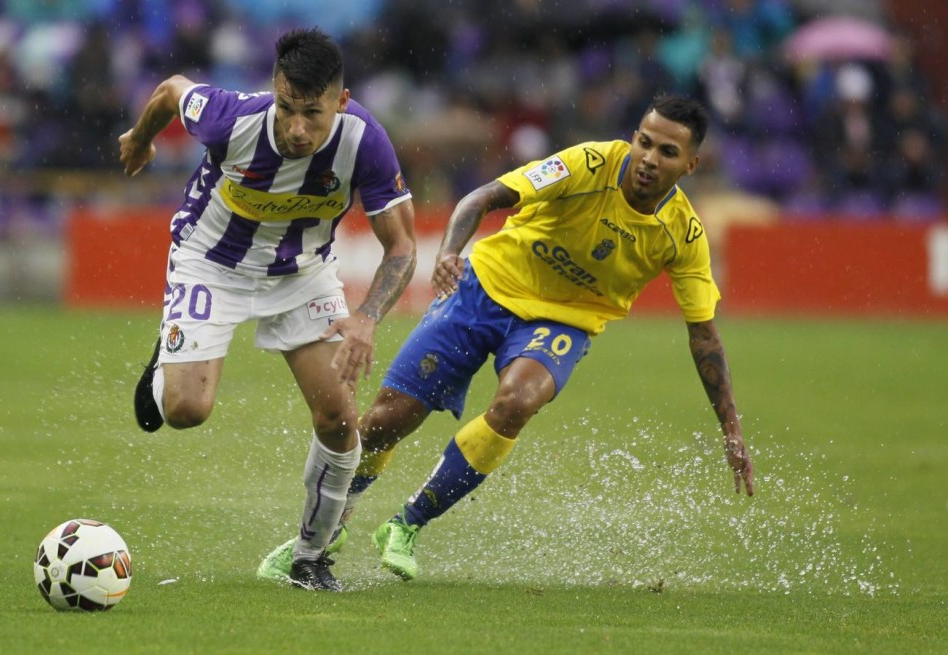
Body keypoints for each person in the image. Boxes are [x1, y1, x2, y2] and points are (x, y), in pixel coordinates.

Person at [259, 94, 753, 584]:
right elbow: (483, 198)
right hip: (485, 289)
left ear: (690, 164)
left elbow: (704, 335)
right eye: (644, 142)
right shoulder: (586, 164)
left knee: (518, 401)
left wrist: (730, 428)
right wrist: (450, 251)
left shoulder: (683, 234)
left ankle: (405, 525)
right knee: (389, 420)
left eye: (667, 152)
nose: (649, 158)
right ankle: (326, 527)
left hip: (562, 322)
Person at [118, 28, 417, 592]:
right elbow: (169, 89)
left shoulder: (364, 141)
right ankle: (169, 357)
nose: (297, 128)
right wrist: (139, 138)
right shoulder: (229, 116)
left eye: (313, 113)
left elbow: (401, 246)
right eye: (286, 108)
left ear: (342, 101)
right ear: (273, 90)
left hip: (303, 276)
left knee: (339, 418)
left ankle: (310, 558)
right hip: (212, 262)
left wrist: (366, 317)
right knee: (186, 410)